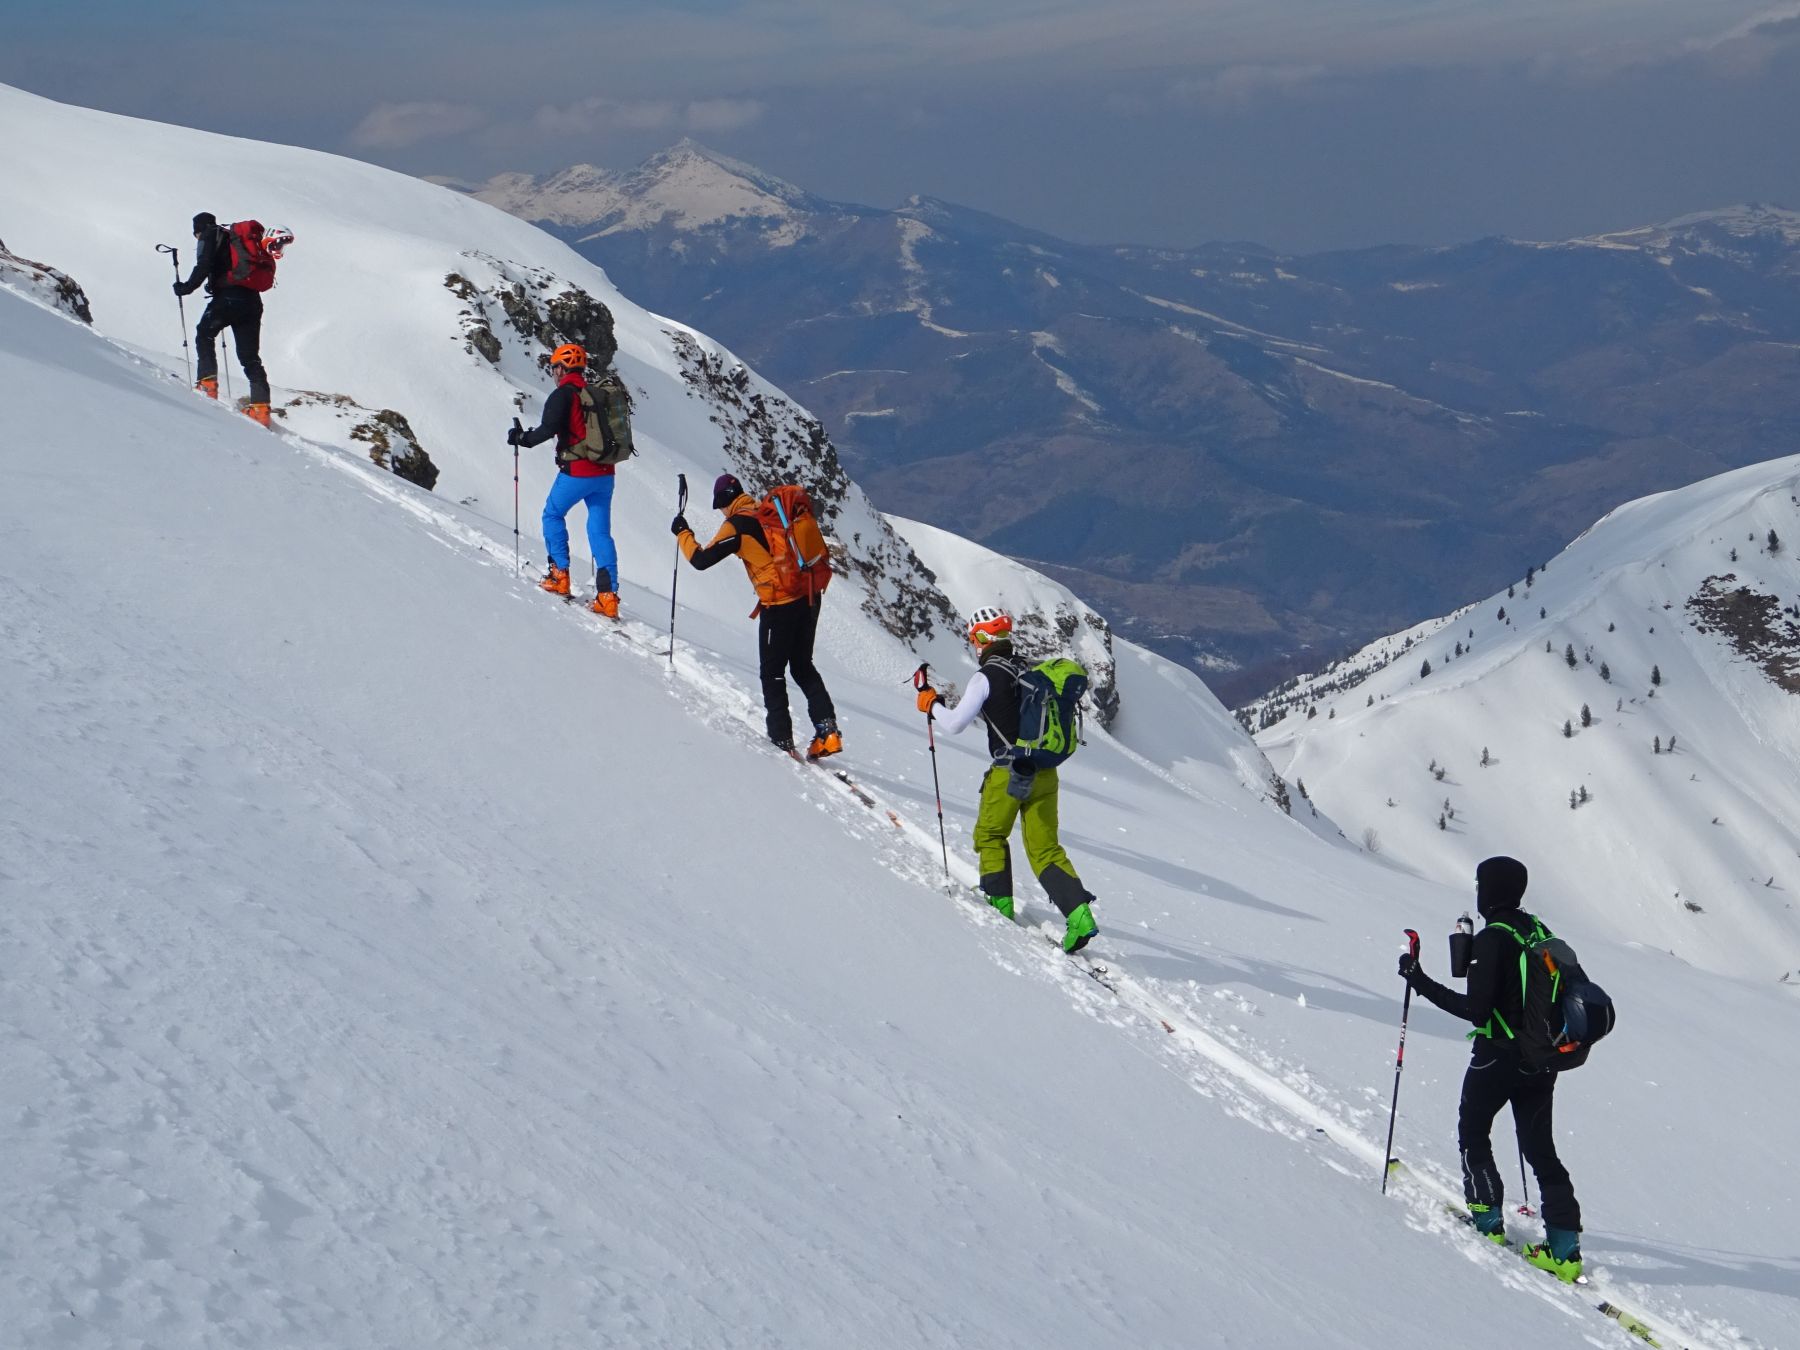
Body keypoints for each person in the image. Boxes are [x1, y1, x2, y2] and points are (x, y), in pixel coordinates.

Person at [1398, 855, 1584, 1281]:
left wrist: (1418, 979)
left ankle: (1487, 1223)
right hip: (1543, 1059)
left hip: (1497, 1057)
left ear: (1489, 890)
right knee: (1540, 1150)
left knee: (1473, 1132)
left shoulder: (1492, 939)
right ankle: (1564, 1250)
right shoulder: (1540, 933)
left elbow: (1476, 1011)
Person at [913, 606, 1098, 953]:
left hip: (1008, 772)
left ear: (982, 638)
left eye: (974, 639)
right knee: (1045, 848)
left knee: (990, 834)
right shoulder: (1030, 668)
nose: (974, 645)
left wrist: (929, 703)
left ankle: (999, 904)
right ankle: (1080, 916)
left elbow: (953, 725)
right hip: (1046, 771)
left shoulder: (986, 677)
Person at [672, 473, 840, 758]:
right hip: (808, 596)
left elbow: (701, 560)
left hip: (779, 605)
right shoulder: (768, 513)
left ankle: (782, 741)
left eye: (720, 506)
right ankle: (829, 733)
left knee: (772, 673)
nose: (722, 512)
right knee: (802, 666)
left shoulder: (736, 525)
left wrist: (682, 533)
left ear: (725, 502)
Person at [510, 343, 621, 617]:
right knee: (600, 533)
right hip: (605, 473)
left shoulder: (563, 395)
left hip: (578, 471)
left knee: (552, 515)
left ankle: (559, 576)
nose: (553, 373)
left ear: (561, 368)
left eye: (553, 368)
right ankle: (608, 597)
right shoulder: (593, 394)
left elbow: (548, 429)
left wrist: (521, 439)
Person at [174, 212, 272, 427]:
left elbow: (204, 264)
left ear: (197, 229)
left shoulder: (209, 235)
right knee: (250, 356)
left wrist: (186, 288)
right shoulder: (231, 237)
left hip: (229, 299)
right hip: (252, 302)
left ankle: (207, 385)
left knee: (204, 334)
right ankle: (261, 409)